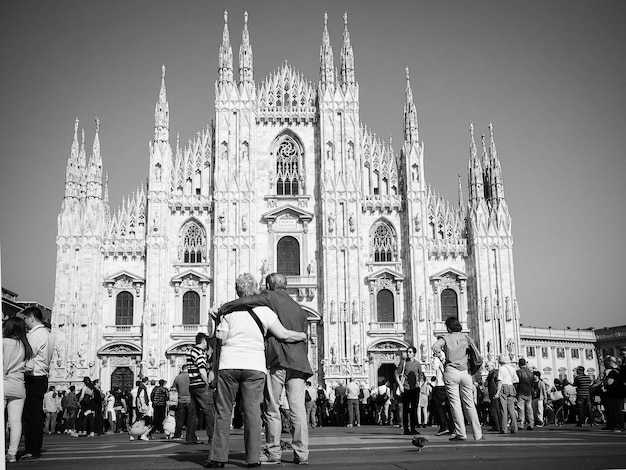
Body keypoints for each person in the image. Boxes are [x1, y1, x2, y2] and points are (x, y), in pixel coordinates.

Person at [205, 272, 307, 468]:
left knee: (224, 412)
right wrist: (302, 335)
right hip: (256, 366)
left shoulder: (229, 312)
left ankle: (218, 458)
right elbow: (284, 334)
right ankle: (253, 458)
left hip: (230, 365)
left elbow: (222, 339)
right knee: (254, 412)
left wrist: (219, 317)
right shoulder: (268, 311)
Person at [432, 317, 483, 441]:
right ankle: (478, 434)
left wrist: (442, 357)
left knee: (455, 404)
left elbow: (435, 347)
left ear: (448, 327)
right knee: (470, 403)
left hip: (451, 371)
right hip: (466, 372)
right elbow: (476, 353)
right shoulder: (466, 338)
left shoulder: (445, 338)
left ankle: (461, 433)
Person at [21, 306, 55, 460]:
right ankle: (35, 447)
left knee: (31, 415)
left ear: (32, 318)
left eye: (25, 319)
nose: (25, 322)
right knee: (36, 414)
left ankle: (31, 448)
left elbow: (27, 353)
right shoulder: (48, 334)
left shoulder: (36, 335)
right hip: (42, 377)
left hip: (33, 377)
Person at [3, 316, 34, 463]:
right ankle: (12, 454)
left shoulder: (2, 343)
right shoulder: (26, 346)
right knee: (15, 422)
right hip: (18, 387)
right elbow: (30, 367)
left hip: (3, 384)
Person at [187, 332, 215, 446]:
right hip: (200, 385)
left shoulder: (191, 351)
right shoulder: (199, 352)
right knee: (209, 410)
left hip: (192, 385)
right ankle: (212, 436)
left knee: (193, 412)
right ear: (203, 341)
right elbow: (201, 369)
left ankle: (190, 437)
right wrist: (207, 382)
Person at [395, 346, 422, 435]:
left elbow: (420, 375)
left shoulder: (418, 364)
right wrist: (400, 385)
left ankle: (413, 428)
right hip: (405, 388)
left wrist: (419, 384)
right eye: (407, 352)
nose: (408, 353)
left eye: (410, 352)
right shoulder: (403, 363)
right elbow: (396, 374)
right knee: (405, 409)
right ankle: (406, 429)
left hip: (415, 388)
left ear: (414, 353)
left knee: (414, 408)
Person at [171, 364, 197, 442]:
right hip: (190, 399)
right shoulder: (191, 376)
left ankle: (177, 435)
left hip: (180, 400)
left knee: (179, 419)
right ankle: (190, 436)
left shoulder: (177, 377)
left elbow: (174, 390)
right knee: (191, 419)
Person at [431, 351, 454, 436]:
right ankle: (452, 428)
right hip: (450, 384)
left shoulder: (437, 358)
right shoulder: (450, 357)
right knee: (450, 406)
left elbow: (433, 367)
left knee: (438, 406)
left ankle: (443, 426)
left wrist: (434, 358)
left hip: (440, 385)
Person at [494, 353, 518, 434]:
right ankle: (514, 428)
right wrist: (510, 381)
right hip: (511, 387)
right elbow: (516, 380)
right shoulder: (512, 368)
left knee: (503, 410)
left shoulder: (501, 368)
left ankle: (504, 429)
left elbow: (500, 381)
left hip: (503, 387)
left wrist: (497, 392)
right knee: (511, 409)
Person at [601, 356, 625, 432]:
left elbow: (609, 382)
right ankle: (615, 425)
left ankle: (619, 425)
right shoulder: (620, 371)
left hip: (613, 393)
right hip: (620, 393)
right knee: (617, 410)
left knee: (616, 410)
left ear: (610, 362)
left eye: (605, 363)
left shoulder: (612, 372)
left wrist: (605, 382)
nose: (604, 365)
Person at [516, 358, 534, 430]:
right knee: (529, 408)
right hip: (529, 392)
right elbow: (532, 383)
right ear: (525, 364)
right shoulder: (531, 372)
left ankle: (521, 424)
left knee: (520, 409)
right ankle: (531, 423)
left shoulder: (518, 372)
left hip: (521, 392)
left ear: (519, 364)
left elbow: (516, 383)